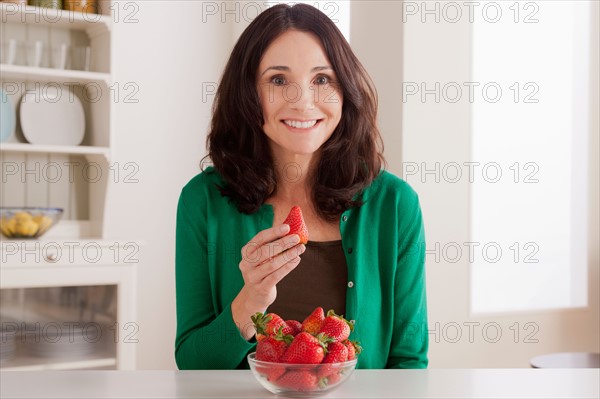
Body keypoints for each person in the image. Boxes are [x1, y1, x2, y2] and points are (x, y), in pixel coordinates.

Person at [175, 3, 428, 370]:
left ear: (345, 90)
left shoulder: (395, 204)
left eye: (322, 79)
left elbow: (409, 363)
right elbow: (192, 364)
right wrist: (250, 302)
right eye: (278, 80)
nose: (302, 101)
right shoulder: (203, 201)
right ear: (248, 93)